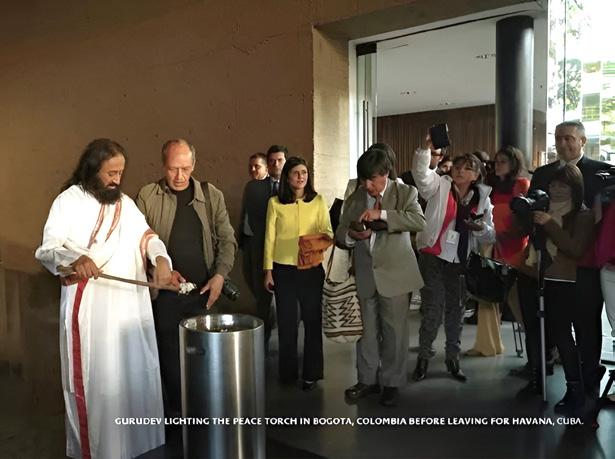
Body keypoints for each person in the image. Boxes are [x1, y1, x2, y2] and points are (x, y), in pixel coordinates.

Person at [35, 138, 174, 459]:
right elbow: (47, 249)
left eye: (121, 173)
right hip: (92, 313)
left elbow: (147, 237)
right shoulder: (68, 202)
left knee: (133, 379)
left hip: (130, 312)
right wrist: (75, 259)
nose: (117, 180)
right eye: (111, 173)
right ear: (92, 169)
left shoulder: (124, 204)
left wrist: (161, 259)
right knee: (98, 385)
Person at [135, 138, 237, 418]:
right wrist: (157, 270)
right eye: (173, 169)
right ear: (162, 165)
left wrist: (220, 276)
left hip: (204, 293)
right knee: (170, 363)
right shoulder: (148, 196)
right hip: (165, 296)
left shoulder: (211, 196)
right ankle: (177, 421)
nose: (179, 176)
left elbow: (227, 240)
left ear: (194, 165)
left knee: (205, 362)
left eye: (185, 168)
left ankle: (205, 420)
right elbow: (137, 243)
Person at [338, 148, 425, 407]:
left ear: (385, 173)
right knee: (365, 332)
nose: (367, 185)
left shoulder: (406, 192)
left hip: (396, 274)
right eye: (363, 179)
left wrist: (383, 215)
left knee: (394, 332)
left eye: (372, 179)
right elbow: (340, 230)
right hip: (365, 273)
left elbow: (418, 221)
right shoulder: (355, 197)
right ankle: (367, 380)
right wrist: (352, 235)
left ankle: (391, 382)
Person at [529, 120, 609, 401]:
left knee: (588, 328)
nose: (562, 143)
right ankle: (573, 383)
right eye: (558, 138)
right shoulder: (543, 173)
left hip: (588, 264)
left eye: (569, 138)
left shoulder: (602, 172)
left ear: (583, 141)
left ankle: (589, 381)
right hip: (552, 266)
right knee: (558, 328)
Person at [411, 139, 495, 383]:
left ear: (477, 175)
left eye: (467, 168)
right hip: (433, 256)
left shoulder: (482, 198)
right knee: (433, 309)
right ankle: (423, 358)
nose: (460, 171)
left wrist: (480, 228)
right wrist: (424, 148)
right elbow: (420, 175)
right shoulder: (440, 185)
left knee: (456, 312)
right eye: (457, 166)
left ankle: (453, 359)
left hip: (460, 260)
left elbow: (491, 234)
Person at [522, 164, 595, 414]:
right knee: (543, 331)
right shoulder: (543, 209)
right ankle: (538, 377)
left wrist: (550, 224)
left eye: (563, 185)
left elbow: (575, 249)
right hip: (541, 277)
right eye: (553, 185)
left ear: (575, 188)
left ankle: (575, 389)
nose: (556, 190)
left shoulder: (583, 215)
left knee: (563, 335)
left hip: (567, 282)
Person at [263, 156, 333, 391]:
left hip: (311, 269)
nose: (301, 177)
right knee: (286, 323)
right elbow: (269, 239)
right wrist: (268, 271)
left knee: (312, 322)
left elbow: (328, 233)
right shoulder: (275, 203)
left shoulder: (318, 200)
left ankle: (312, 373)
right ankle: (287, 373)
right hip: (283, 270)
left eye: (304, 172)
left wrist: (310, 243)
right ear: (287, 177)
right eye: (295, 173)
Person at [466, 146, 529, 357]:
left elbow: (522, 219)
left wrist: (504, 234)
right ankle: (487, 345)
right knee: (487, 296)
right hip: (490, 242)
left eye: (503, 161)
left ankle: (541, 346)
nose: (498, 165)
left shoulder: (521, 184)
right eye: (497, 161)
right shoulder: (491, 185)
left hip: (513, 245)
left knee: (516, 298)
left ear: (513, 164)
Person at [239, 145, 287, 347]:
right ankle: (262, 346)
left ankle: (287, 347)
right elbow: (247, 218)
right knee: (262, 299)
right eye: (272, 161)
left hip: (286, 252)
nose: (276, 164)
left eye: (280, 160)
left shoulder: (295, 187)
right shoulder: (254, 188)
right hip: (259, 248)